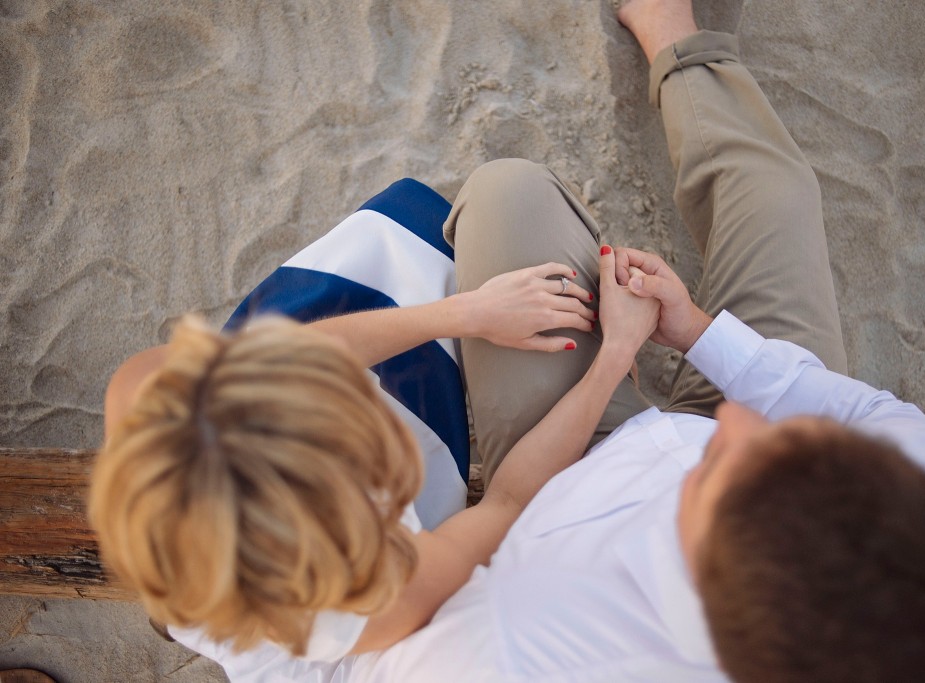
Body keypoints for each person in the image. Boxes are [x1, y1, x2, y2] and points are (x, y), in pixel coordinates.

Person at [326, 1, 925, 682]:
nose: (743, 421)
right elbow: (863, 414)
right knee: (779, 195)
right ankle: (671, 32)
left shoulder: (525, 636)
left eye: (724, 465)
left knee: (509, 193)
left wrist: (613, 358)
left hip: (564, 470)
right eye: (796, 441)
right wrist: (695, 330)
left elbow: (505, 508)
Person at [91, 247, 659, 679]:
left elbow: (282, 359)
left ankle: (178, 610)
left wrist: (465, 314)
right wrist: (613, 358)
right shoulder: (381, 599)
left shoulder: (148, 395)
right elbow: (507, 501)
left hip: (222, 571)